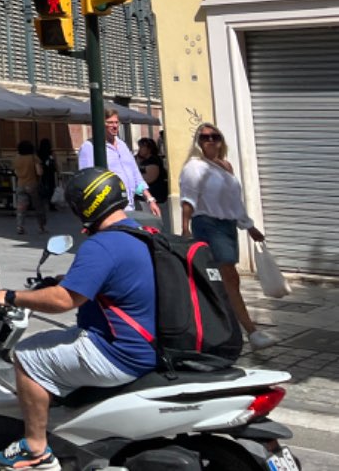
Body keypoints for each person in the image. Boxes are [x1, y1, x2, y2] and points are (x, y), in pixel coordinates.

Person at [0, 168, 158, 471]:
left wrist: (11, 296)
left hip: (118, 352)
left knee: (27, 356)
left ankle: (36, 450)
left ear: (84, 206)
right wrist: (73, 279)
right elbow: (119, 281)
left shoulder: (102, 244)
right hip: (150, 345)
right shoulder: (142, 233)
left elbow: (63, 301)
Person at [180, 122, 275, 350]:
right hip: (208, 225)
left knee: (222, 280)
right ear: (198, 142)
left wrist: (249, 226)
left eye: (214, 136)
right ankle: (250, 331)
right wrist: (185, 228)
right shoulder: (195, 167)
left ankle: (218, 327)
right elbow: (188, 199)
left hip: (228, 227)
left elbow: (234, 201)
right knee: (230, 278)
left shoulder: (225, 165)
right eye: (204, 138)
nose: (210, 140)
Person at [76, 110, 160, 219]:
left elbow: (136, 175)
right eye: (110, 123)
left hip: (130, 207)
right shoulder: (89, 147)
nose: (115, 126)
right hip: (110, 211)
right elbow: (86, 182)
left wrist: (150, 199)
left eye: (116, 122)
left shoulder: (123, 145)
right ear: (100, 124)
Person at [13, 139, 47, 236]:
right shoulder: (33, 158)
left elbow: (15, 172)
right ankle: (41, 226)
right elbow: (39, 172)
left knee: (21, 208)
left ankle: (20, 226)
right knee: (38, 206)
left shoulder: (17, 158)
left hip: (20, 184)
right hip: (32, 184)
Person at [136, 137, 168, 209]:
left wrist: (136, 178)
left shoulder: (153, 160)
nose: (140, 149)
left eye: (142, 147)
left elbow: (150, 178)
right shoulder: (144, 160)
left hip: (155, 194)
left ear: (149, 148)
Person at [37, 139, 58, 210]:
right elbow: (55, 163)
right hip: (50, 173)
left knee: (42, 187)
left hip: (42, 173)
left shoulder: (38, 153)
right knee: (51, 188)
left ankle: (41, 203)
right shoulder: (51, 153)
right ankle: (51, 204)